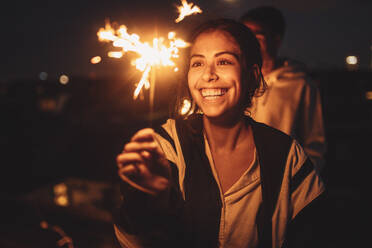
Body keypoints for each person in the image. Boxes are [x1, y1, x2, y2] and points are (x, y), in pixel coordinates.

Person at [114, 18, 325, 248]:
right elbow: (133, 240)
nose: (208, 75)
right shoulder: (167, 146)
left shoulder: (286, 156)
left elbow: (312, 234)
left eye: (224, 61)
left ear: (252, 75)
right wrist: (149, 200)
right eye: (197, 64)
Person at [240, 6, 327, 172]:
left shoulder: (300, 84)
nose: (249, 41)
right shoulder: (238, 81)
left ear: (276, 39)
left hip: (283, 181)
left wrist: (300, 184)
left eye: (258, 35)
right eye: (245, 35)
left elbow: (314, 144)